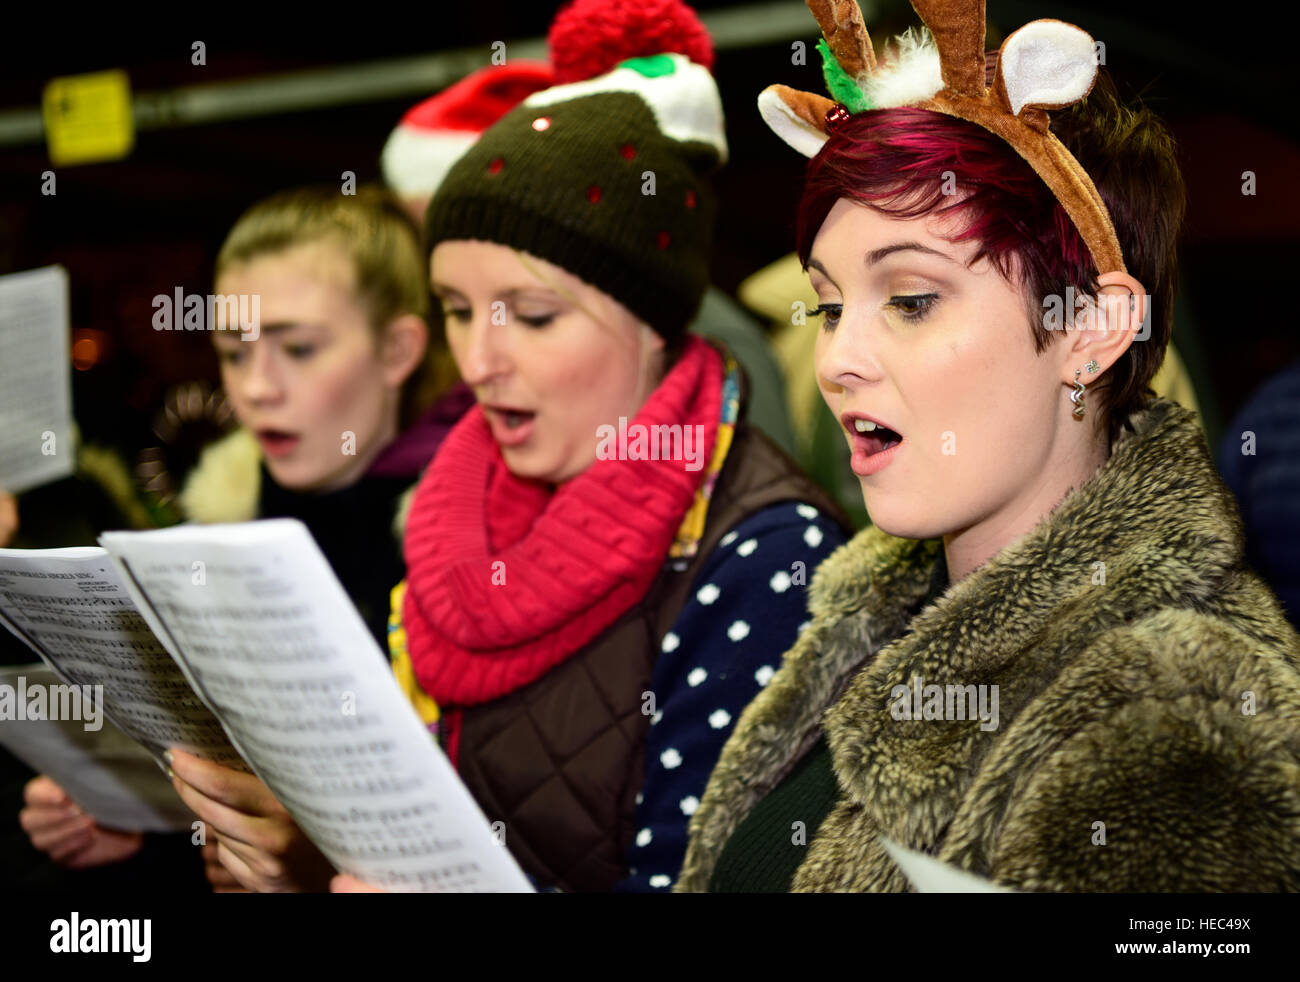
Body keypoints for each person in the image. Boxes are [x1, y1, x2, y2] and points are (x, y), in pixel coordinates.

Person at [169, 0, 851, 893]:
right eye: (456, 309)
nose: (480, 362)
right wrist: (307, 857)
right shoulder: (454, 505)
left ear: (653, 319)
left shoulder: (766, 552)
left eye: (531, 316)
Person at [677, 0, 1300, 892]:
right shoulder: (858, 626)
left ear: (1089, 326)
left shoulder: (1184, 721)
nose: (838, 362)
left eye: (912, 299)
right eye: (827, 305)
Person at [19, 185, 470, 889]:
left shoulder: (473, 544)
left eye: (297, 347)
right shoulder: (216, 534)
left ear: (398, 349)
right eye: (233, 351)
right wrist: (135, 830)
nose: (256, 387)